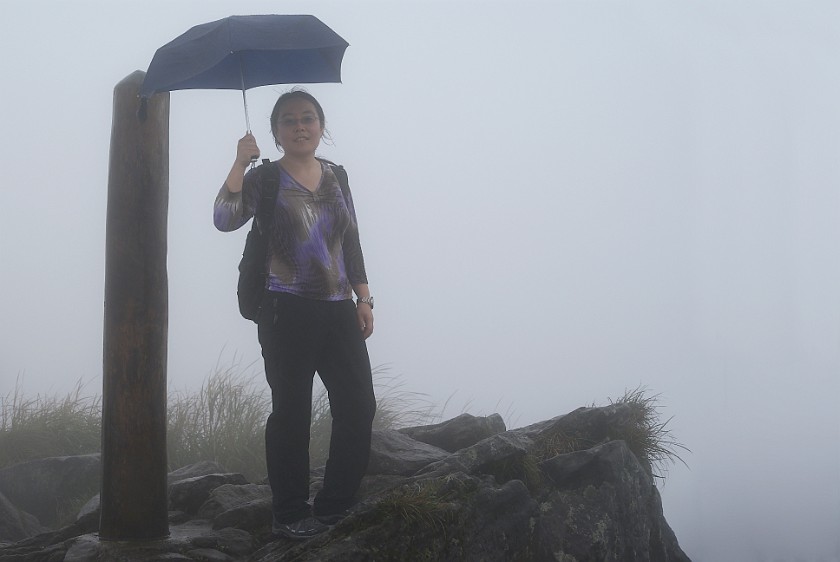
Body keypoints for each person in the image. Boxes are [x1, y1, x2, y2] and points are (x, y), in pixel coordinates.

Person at [213, 90, 377, 540]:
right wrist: (240, 163)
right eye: (289, 121)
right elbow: (224, 219)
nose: (300, 126)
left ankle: (336, 505)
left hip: (338, 309)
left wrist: (364, 297)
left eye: (308, 118)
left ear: (321, 125)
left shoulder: (337, 176)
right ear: (275, 132)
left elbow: (351, 240)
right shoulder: (264, 178)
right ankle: (289, 512)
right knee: (291, 413)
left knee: (358, 405)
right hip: (284, 310)